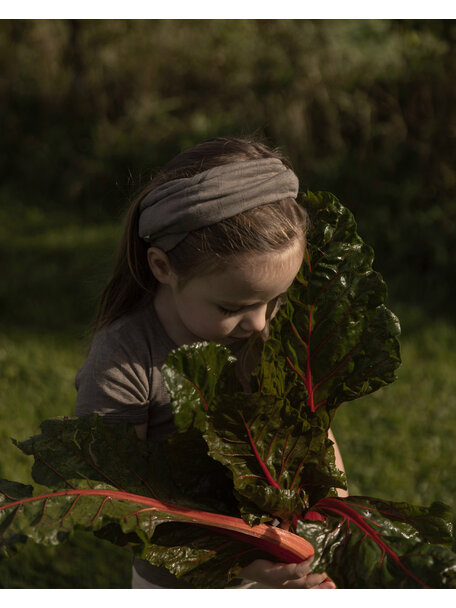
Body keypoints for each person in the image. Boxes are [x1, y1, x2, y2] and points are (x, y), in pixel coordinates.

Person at [75, 136, 346, 589]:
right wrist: (229, 566)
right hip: (182, 580)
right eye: (231, 308)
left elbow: (316, 439)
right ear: (163, 267)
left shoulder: (276, 337)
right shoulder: (125, 359)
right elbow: (112, 500)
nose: (259, 324)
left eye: (275, 300)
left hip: (290, 564)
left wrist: (332, 521)